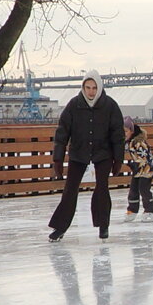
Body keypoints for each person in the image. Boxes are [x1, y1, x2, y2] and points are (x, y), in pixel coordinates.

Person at [48, 70, 124, 241]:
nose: (91, 91)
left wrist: (118, 158)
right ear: (83, 87)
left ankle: (103, 225)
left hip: (103, 152)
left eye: (94, 88)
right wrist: (58, 158)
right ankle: (60, 228)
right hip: (78, 152)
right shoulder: (74, 105)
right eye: (88, 87)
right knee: (70, 190)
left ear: (100, 88)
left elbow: (117, 134)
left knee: (102, 187)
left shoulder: (110, 105)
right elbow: (62, 133)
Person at [123, 116, 153, 223]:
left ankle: (150, 211)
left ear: (132, 131)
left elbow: (145, 157)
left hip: (147, 169)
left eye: (126, 131)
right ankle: (132, 210)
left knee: (144, 189)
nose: (124, 134)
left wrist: (133, 163)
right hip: (138, 169)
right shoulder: (129, 141)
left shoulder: (138, 142)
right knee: (133, 189)